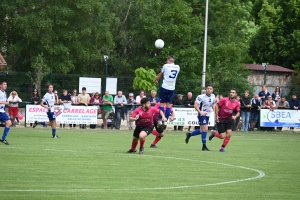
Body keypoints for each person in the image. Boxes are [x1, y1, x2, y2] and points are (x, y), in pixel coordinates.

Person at [185, 85, 216, 151]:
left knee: (202, 130)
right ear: (206, 89)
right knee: (205, 129)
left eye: (210, 89)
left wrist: (215, 112)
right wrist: (200, 112)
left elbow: (213, 104)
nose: (209, 90)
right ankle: (204, 146)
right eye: (208, 88)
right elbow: (195, 105)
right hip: (201, 115)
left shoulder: (213, 96)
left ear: (212, 90)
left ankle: (189, 134)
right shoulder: (201, 96)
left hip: (208, 115)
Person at [154, 55, 180, 126]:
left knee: (162, 104)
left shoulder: (165, 66)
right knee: (168, 106)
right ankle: (165, 121)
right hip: (172, 88)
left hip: (164, 87)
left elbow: (160, 74)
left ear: (168, 61)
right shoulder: (178, 67)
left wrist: (156, 79)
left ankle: (160, 120)